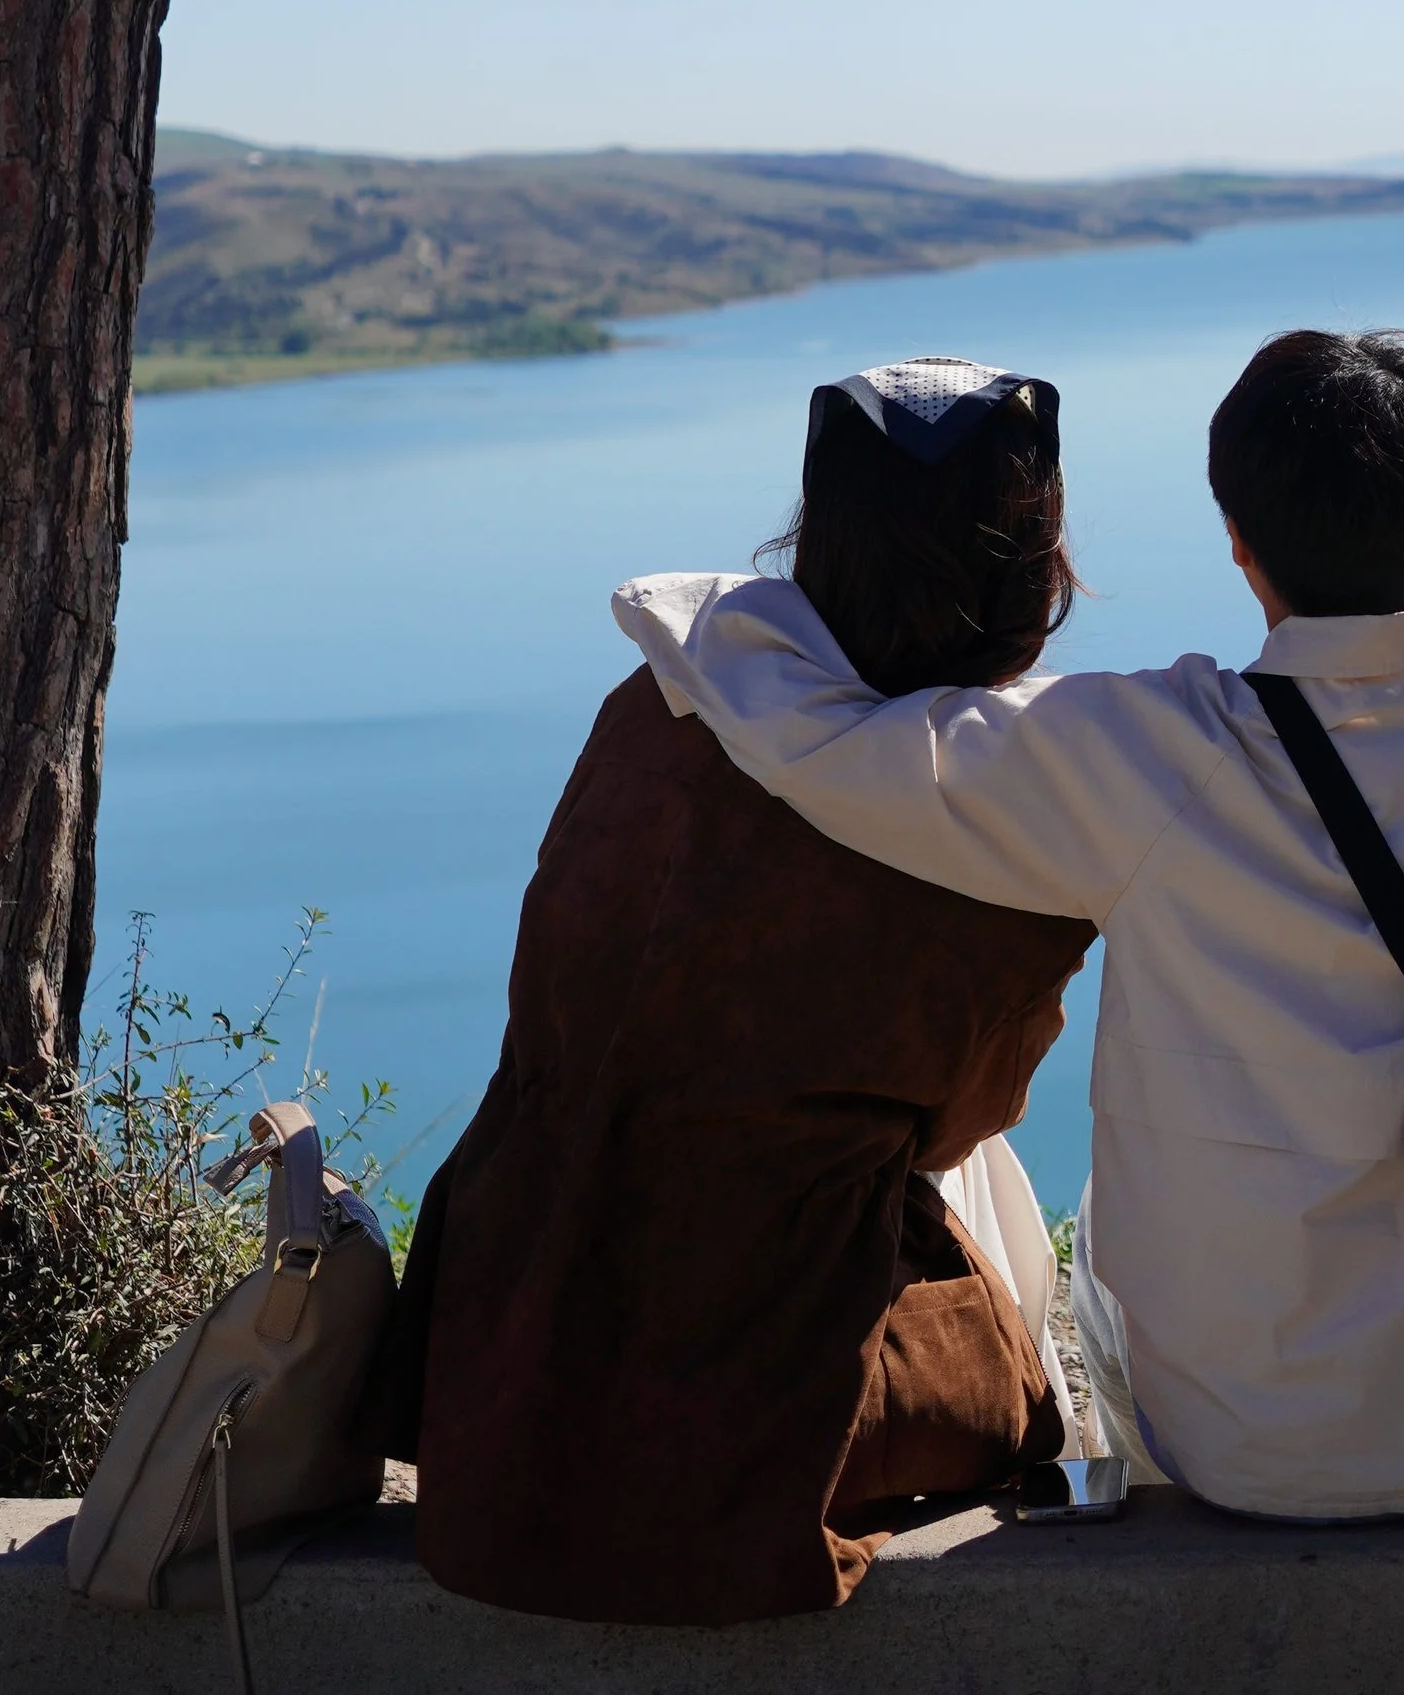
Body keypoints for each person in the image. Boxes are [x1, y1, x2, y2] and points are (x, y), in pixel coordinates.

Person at [617, 325, 1404, 1521]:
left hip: (1248, 1457)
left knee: (1097, 1260)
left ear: (1235, 539)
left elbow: (845, 750)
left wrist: (699, 617)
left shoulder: (1148, 756)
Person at [401, 359, 1094, 1620]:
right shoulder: (981, 814)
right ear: (1030, 551)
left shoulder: (662, 701)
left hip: (501, 1354)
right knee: (976, 1190)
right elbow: (968, 1114)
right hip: (752, 1415)